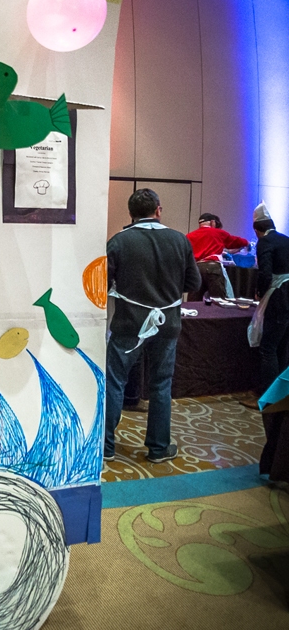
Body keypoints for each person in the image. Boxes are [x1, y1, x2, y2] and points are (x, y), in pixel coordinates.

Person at [104, 188, 199, 463]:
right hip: (168, 324)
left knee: (115, 381)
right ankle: (158, 448)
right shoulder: (180, 240)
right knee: (161, 385)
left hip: (128, 324)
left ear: (130, 214)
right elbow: (193, 284)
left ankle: (106, 447)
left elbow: (104, 283)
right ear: (159, 210)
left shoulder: (119, 241)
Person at [252, 202, 289, 485]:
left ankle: (268, 396)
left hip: (278, 298)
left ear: (257, 230)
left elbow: (264, 273)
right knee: (284, 347)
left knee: (268, 348)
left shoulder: (265, 244)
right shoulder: (286, 240)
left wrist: (259, 296)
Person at [186, 212, 249, 300]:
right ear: (212, 222)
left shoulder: (189, 236)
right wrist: (246, 243)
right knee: (219, 302)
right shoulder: (218, 233)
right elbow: (236, 241)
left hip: (196, 269)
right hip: (213, 268)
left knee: (193, 302)